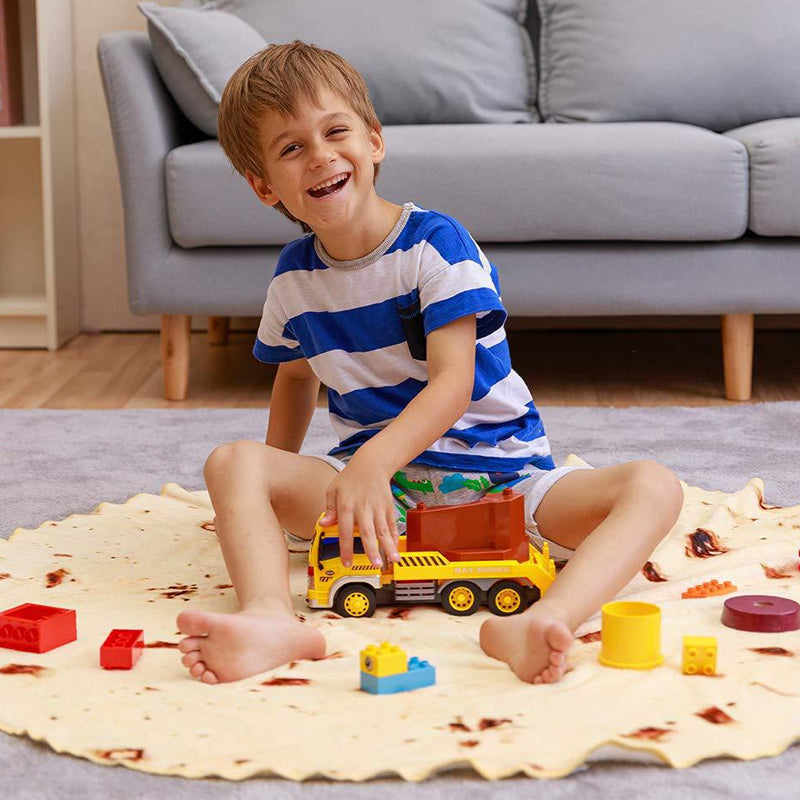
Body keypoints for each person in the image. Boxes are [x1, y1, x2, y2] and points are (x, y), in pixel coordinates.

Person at [176, 40, 684, 685]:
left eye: (336, 132)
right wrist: (272, 489)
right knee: (232, 462)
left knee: (653, 485)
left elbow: (455, 381)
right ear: (263, 186)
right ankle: (272, 616)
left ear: (375, 142)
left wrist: (371, 462)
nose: (322, 156)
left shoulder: (436, 245)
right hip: (371, 500)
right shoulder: (292, 281)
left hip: (505, 490)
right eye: (291, 148)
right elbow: (296, 375)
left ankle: (543, 619)